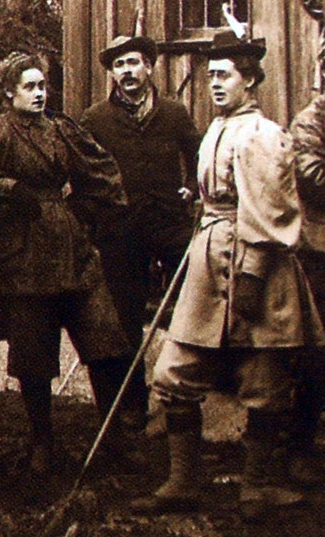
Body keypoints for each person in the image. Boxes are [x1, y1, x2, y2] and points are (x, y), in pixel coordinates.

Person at [130, 30, 325, 517]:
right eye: (211, 75)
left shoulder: (261, 134)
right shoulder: (217, 128)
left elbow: (272, 211)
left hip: (255, 263)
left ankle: (256, 487)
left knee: (264, 380)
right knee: (175, 374)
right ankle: (182, 482)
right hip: (210, 257)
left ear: (250, 79)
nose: (215, 84)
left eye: (225, 76)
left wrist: (255, 275)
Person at [0, 51, 135, 476]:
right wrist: (9, 186)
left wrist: (90, 209)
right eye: (30, 87)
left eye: (42, 86)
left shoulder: (60, 129)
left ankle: (115, 439)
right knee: (33, 357)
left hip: (72, 247)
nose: (39, 94)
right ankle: (42, 443)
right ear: (8, 92)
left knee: (105, 343)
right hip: (23, 254)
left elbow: (103, 169)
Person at [80, 35, 200, 433]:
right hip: (121, 231)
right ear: (112, 73)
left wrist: (194, 189)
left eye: (133, 62)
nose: (127, 71)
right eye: (119, 65)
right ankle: (132, 404)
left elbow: (199, 156)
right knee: (124, 318)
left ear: (149, 66)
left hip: (170, 224)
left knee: (193, 306)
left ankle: (184, 400)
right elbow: (81, 175)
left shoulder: (174, 113)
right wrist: (98, 216)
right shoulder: (95, 119)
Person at [289, 95, 325, 482]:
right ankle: (299, 445)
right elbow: (311, 177)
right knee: (318, 355)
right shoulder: (311, 120)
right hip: (320, 251)